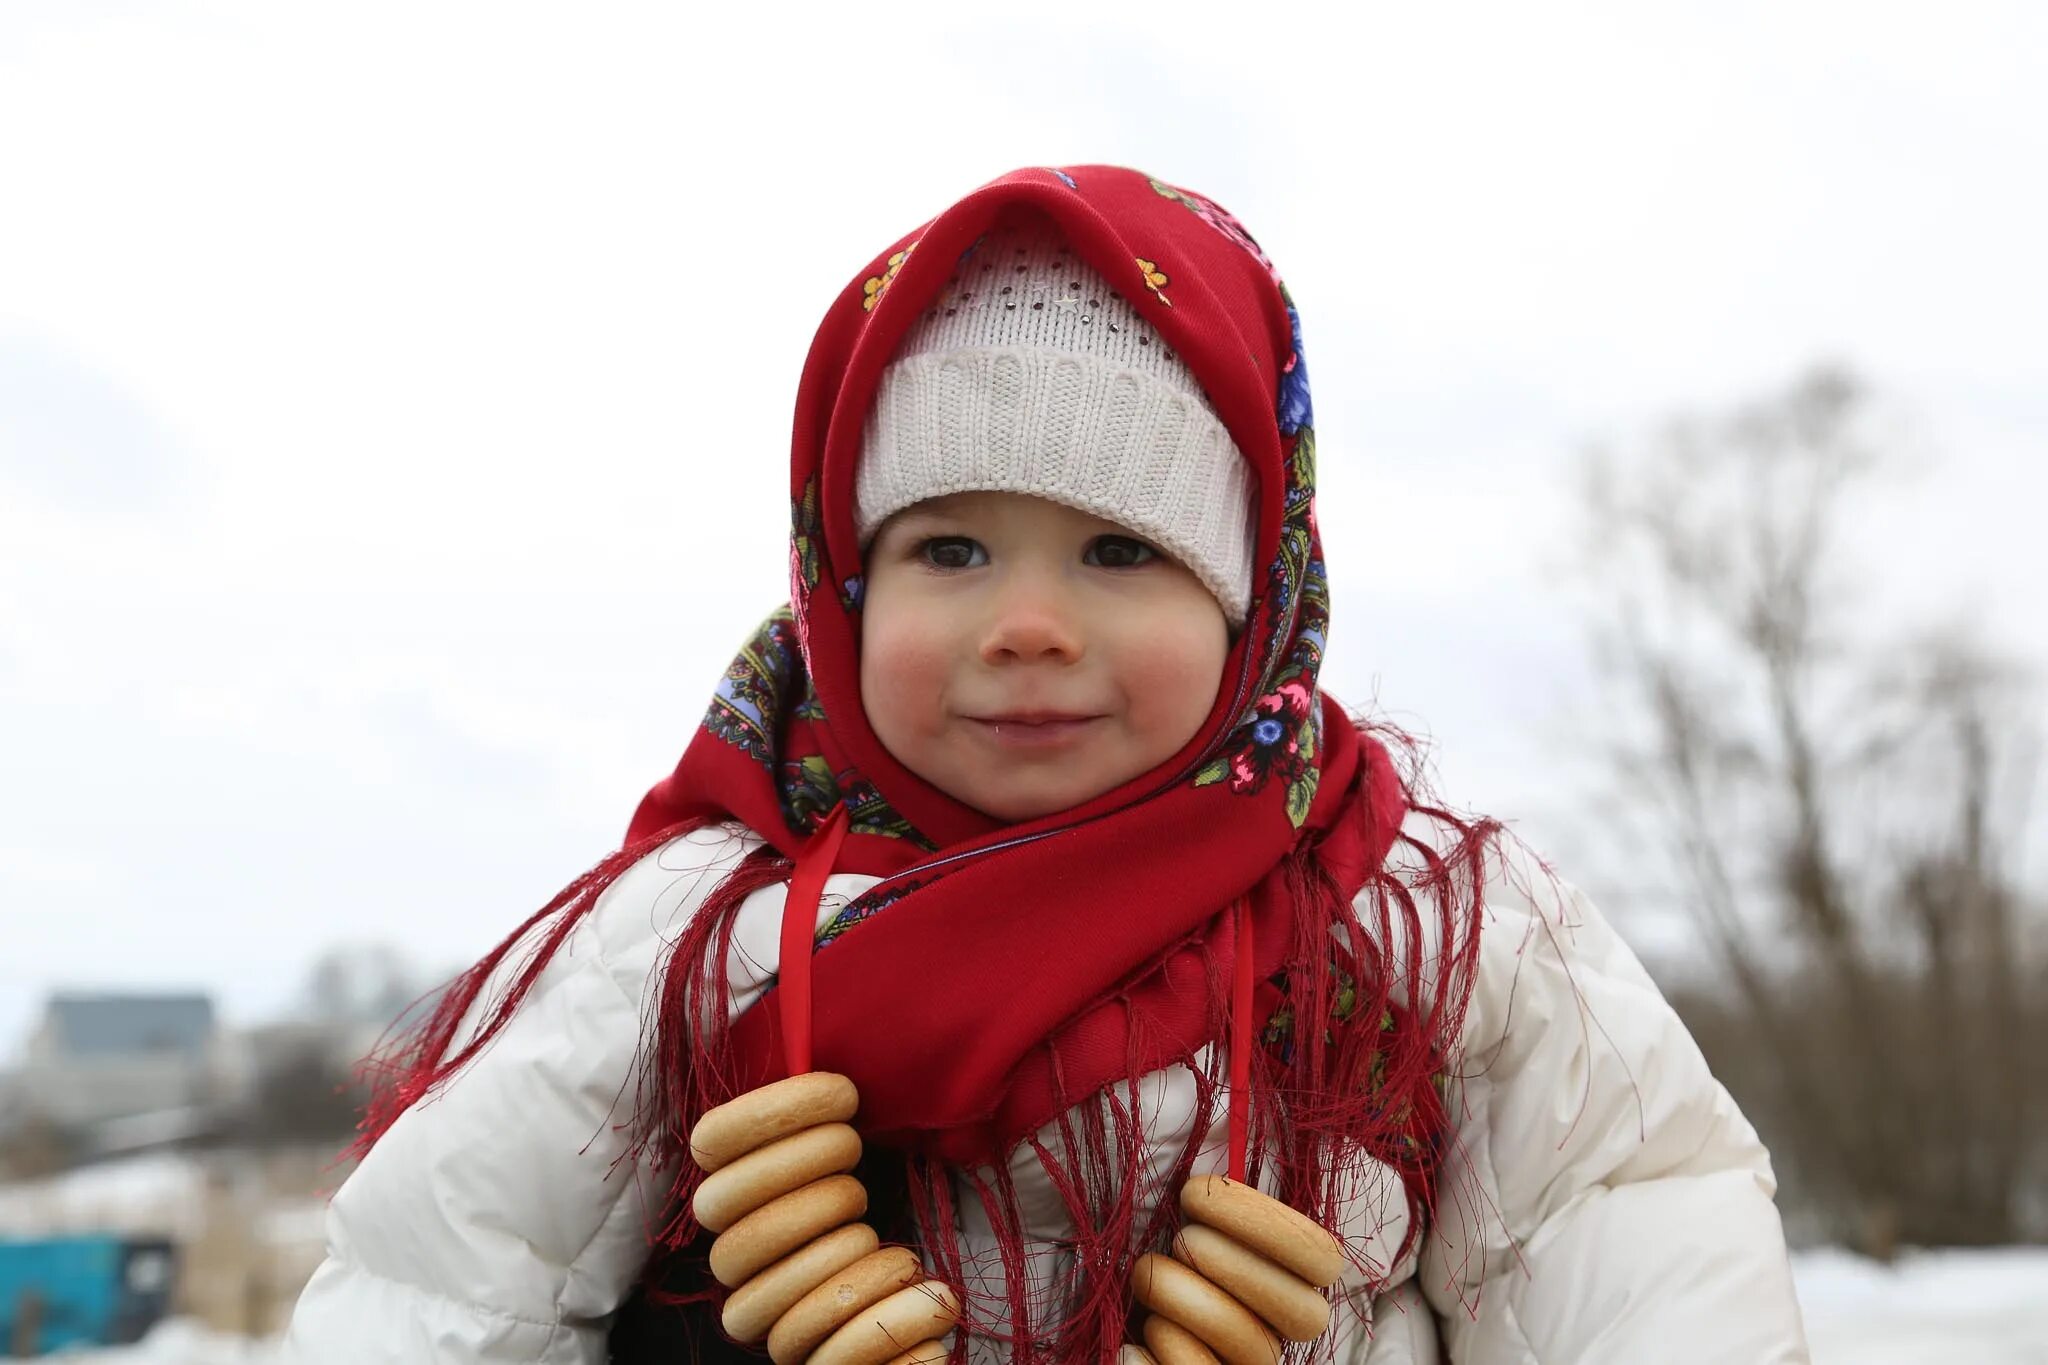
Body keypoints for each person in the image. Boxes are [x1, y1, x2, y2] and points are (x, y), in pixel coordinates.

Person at [281, 166, 1810, 1364]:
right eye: (948, 547)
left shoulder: (1431, 923)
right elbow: (432, 1294)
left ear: (1249, 595)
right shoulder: (694, 942)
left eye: (1117, 549)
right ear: (843, 586)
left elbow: (1642, 1250)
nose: (1026, 624)